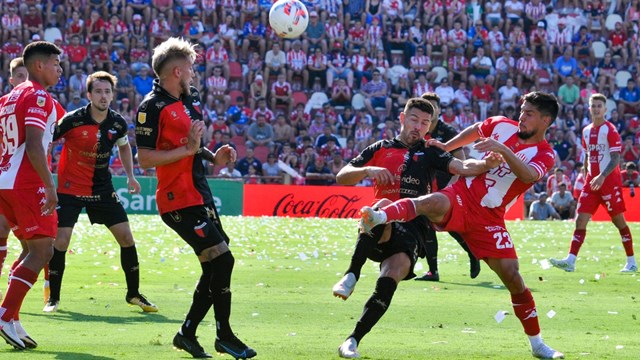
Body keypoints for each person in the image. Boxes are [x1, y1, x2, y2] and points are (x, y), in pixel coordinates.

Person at [358, 92, 565, 359]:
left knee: (514, 278)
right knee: (432, 202)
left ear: (546, 120)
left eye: (529, 114)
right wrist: (446, 147)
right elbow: (476, 130)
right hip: (463, 194)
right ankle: (381, 216)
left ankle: (537, 344)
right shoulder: (502, 125)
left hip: (490, 217)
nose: (522, 117)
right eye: (522, 111)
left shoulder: (546, 154)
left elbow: (527, 175)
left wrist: (503, 150)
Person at [333, 98, 502, 359]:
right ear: (402, 118)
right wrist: (368, 170)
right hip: (378, 225)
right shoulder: (380, 147)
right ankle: (352, 274)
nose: (419, 127)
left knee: (391, 276)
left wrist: (485, 165)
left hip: (413, 228)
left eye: (425, 123)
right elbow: (342, 176)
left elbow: (462, 166)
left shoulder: (431, 150)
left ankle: (353, 339)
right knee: (383, 204)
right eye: (414, 120)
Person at [135, 37, 256, 359]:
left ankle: (187, 334)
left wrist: (210, 157)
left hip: (199, 194)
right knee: (223, 259)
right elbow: (145, 159)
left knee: (214, 265)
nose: (194, 74)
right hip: (176, 199)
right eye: (190, 68)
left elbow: (189, 147)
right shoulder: (151, 107)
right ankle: (224, 335)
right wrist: (188, 150)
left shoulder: (191, 101)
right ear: (176, 71)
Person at [43, 71, 157, 314]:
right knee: (61, 242)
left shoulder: (117, 123)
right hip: (69, 189)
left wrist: (130, 176)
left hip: (102, 189)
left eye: (107, 92)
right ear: (88, 94)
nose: (104, 96)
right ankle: (53, 298)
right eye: (98, 91)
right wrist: (45, 173)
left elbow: (125, 148)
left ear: (113, 95)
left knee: (126, 237)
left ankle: (134, 294)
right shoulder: (72, 120)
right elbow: (47, 141)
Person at [0, 41, 62, 350]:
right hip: (28, 183)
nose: (59, 69)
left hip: (6, 182)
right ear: (38, 66)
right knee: (42, 252)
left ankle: (11, 318)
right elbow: (35, 144)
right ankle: (5, 314)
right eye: (55, 63)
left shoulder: (7, 98)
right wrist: (50, 186)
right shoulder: (38, 96)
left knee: (30, 250)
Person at [550, 93, 637, 273]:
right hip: (591, 182)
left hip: (608, 182)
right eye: (593, 106)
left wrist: (602, 176)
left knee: (619, 222)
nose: (596, 109)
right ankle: (571, 261)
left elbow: (615, 159)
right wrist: (586, 171)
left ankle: (631, 262)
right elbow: (588, 154)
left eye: (599, 106)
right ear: (589, 109)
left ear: (605, 109)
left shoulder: (610, 130)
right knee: (580, 219)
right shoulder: (586, 130)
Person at [415, 92, 480, 282]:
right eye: (427, 105)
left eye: (434, 107)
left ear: (439, 110)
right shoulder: (418, 130)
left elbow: (461, 161)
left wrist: (453, 186)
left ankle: (472, 253)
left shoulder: (448, 132)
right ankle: (432, 271)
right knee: (427, 226)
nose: (431, 110)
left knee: (449, 225)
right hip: (424, 184)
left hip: (446, 185)